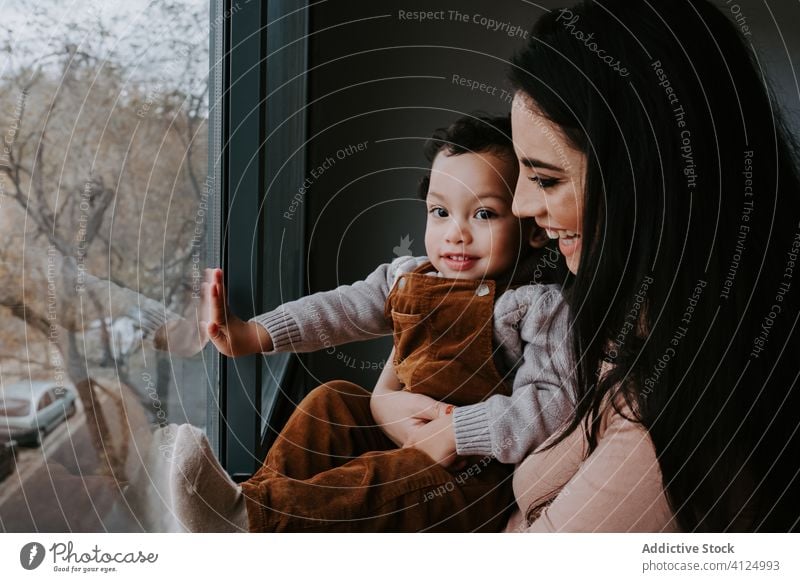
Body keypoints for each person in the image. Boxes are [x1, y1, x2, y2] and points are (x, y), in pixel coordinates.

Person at [168, 114, 575, 532]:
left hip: (465, 475)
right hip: (400, 436)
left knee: (381, 480)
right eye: (440, 211)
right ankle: (253, 503)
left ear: (533, 229)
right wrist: (253, 333)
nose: (456, 233)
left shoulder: (535, 304)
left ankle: (254, 519)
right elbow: (340, 310)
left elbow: (553, 403)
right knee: (334, 400)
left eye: (484, 215)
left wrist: (459, 431)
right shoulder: (409, 277)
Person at [504, 0, 800, 532]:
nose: (520, 206)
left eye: (546, 178)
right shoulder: (641, 320)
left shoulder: (672, 423)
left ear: (647, 186)